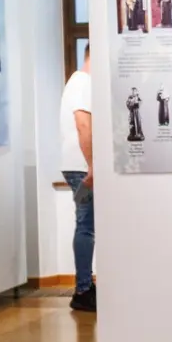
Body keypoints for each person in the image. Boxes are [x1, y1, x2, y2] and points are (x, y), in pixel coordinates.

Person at [59, 44, 96, 313]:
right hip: (82, 170)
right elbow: (83, 125)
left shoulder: (77, 82)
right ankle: (83, 289)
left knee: (85, 223)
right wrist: (93, 165)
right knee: (86, 225)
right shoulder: (83, 82)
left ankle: (84, 285)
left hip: (79, 168)